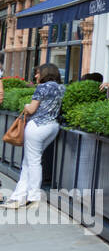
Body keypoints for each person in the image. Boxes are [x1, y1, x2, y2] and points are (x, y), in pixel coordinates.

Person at [4, 63, 65, 208]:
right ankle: (18, 196)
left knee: (33, 161)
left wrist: (26, 106)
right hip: (53, 126)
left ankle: (32, 196)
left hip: (37, 126)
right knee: (29, 161)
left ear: (45, 73)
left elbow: (31, 109)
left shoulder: (42, 87)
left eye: (38, 73)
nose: (36, 76)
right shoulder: (61, 88)